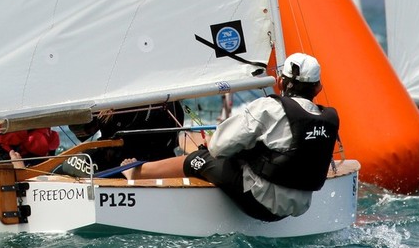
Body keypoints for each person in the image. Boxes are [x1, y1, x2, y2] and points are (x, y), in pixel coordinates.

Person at [122, 53, 340, 222]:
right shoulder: (326, 117)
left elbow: (217, 147)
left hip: (261, 203)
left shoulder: (269, 108)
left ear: (281, 82)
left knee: (199, 158)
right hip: (297, 207)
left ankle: (136, 172)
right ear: (318, 88)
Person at [67, 101, 186, 173]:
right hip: (115, 160)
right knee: (70, 163)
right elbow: (81, 130)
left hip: (142, 164)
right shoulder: (110, 105)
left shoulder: (170, 106)